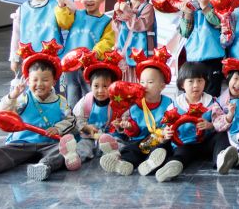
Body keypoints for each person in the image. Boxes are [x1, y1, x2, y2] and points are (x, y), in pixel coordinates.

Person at [0, 41, 76, 184]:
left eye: (45, 80)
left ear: (54, 82)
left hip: (49, 144)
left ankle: (43, 166)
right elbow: (2, 111)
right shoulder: (23, 98)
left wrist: (58, 128)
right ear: (28, 81)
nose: (39, 84)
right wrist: (12, 96)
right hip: (21, 144)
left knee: (63, 150)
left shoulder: (61, 101)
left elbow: (71, 120)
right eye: (35, 80)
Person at [99, 47, 174, 177]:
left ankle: (150, 163)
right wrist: (129, 127)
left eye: (150, 82)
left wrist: (166, 132)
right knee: (133, 149)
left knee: (162, 149)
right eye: (142, 82)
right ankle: (124, 163)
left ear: (162, 86)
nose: (144, 86)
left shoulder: (168, 103)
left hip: (159, 140)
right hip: (139, 141)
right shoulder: (135, 105)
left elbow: (171, 123)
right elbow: (135, 131)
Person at [54, 0, 115, 108]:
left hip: (91, 64)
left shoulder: (106, 21)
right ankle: (73, 115)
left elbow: (107, 41)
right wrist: (61, 5)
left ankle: (91, 114)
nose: (89, 0)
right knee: (72, 90)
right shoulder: (76, 14)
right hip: (70, 63)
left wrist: (95, 53)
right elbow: (63, 22)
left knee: (90, 91)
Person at [164, 0, 224, 97]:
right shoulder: (184, 13)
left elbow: (218, 23)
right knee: (195, 94)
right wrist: (188, 13)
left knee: (212, 94)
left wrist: (205, 7)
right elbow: (185, 33)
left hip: (213, 58)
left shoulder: (211, 3)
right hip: (194, 60)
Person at [155, 61, 222, 183]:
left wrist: (210, 125)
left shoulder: (212, 103)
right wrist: (166, 132)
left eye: (200, 81)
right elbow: (164, 126)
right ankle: (172, 166)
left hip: (205, 143)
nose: (196, 85)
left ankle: (221, 159)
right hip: (185, 144)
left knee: (221, 136)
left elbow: (220, 122)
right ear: (182, 84)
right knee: (181, 154)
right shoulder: (175, 106)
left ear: (205, 82)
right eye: (191, 81)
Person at [65, 50, 123, 170]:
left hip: (110, 137)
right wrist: (85, 127)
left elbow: (124, 121)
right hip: (89, 138)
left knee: (120, 145)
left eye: (105, 86)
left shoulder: (117, 103)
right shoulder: (85, 102)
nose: (100, 90)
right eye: (96, 86)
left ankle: (114, 158)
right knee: (82, 147)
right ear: (90, 86)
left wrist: (120, 125)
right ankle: (74, 159)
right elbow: (75, 119)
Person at [105, 0, 157, 82]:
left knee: (139, 83)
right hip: (124, 53)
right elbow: (117, 28)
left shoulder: (148, 7)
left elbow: (140, 26)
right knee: (124, 82)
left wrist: (127, 12)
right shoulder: (124, 5)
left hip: (141, 54)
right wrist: (117, 14)